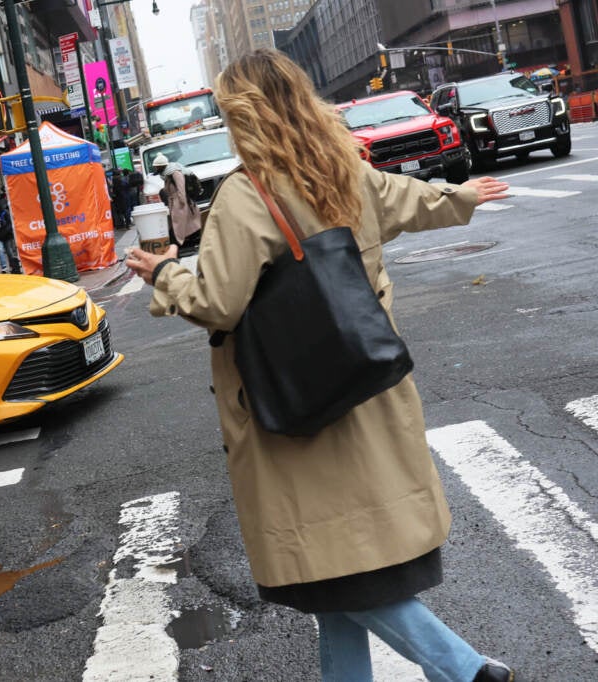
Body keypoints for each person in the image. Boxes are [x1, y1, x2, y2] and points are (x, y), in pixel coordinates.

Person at [125, 49, 514, 682]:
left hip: (298, 403)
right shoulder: (342, 170)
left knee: (337, 573)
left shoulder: (247, 193)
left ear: (240, 116)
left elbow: (217, 303)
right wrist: (462, 196)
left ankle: (467, 671)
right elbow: (414, 201)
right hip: (366, 382)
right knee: (333, 569)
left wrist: (164, 272)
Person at [151, 152, 202, 248]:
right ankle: (185, 241)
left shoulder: (175, 173)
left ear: (161, 166)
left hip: (179, 201)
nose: (155, 168)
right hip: (175, 202)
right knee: (184, 222)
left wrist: (182, 201)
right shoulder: (168, 173)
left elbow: (181, 187)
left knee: (179, 223)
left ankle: (179, 242)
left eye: (156, 166)